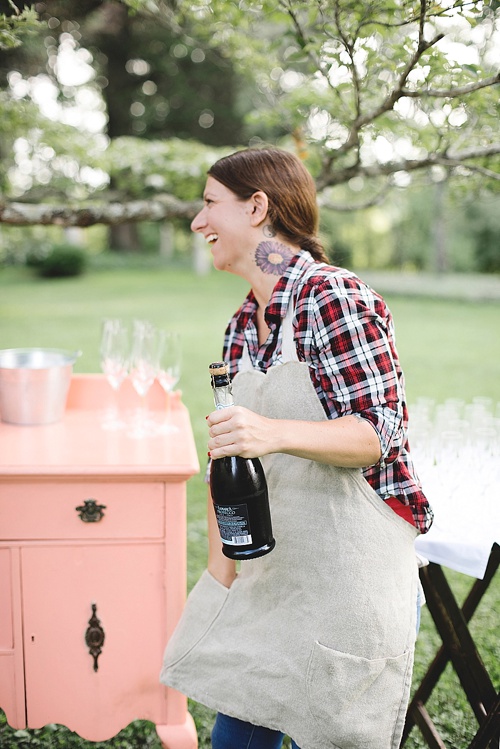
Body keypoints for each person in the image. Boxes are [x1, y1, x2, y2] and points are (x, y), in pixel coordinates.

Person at [160, 147, 433, 749]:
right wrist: (220, 573)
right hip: (273, 578)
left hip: (347, 584)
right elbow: (230, 452)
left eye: (209, 204)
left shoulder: (334, 299)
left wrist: (272, 431)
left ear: (257, 208)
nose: (197, 222)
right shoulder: (241, 326)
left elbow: (380, 433)